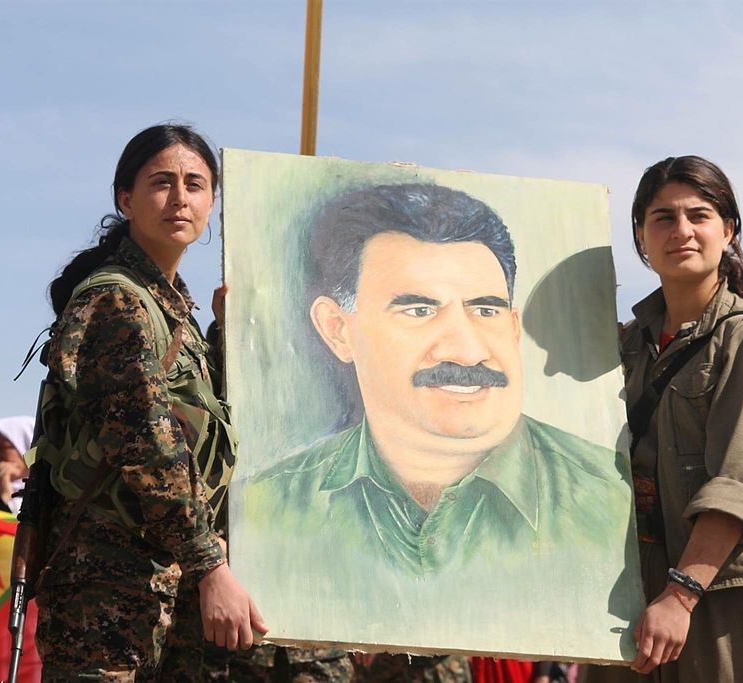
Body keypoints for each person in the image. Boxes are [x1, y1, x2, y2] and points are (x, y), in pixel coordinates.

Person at [245, 183, 629, 576]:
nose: (466, 351)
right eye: (419, 311)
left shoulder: (611, 499)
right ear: (338, 330)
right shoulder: (266, 508)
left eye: (485, 311)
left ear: (514, 328)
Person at [32, 123, 266, 681]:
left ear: (212, 203)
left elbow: (201, 428)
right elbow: (147, 445)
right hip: (105, 591)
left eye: (195, 184)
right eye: (162, 182)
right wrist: (210, 566)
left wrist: (223, 336)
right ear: (126, 199)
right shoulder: (117, 299)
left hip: (161, 584)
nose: (180, 198)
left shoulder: (173, 312)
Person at [621, 155, 743, 682]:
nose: (681, 230)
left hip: (730, 597)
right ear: (640, 236)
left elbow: (740, 483)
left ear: (727, 231)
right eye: (663, 217)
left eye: (699, 215)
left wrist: (681, 595)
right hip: (638, 597)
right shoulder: (625, 347)